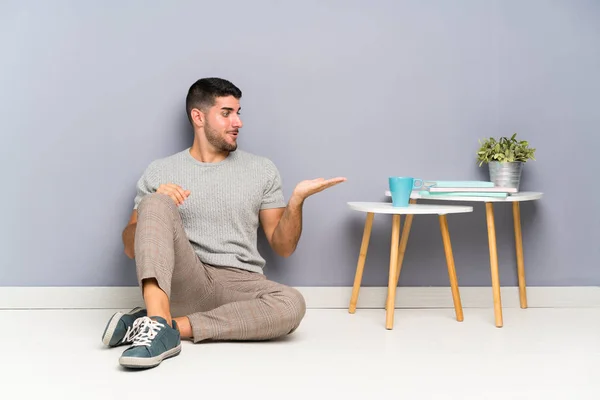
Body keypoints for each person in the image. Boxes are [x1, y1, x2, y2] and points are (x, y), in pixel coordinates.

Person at [101, 77, 346, 369]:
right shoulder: (160, 170)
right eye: (227, 113)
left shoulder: (261, 169)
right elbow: (130, 248)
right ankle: (157, 320)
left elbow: (283, 247)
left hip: (241, 286)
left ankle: (162, 326)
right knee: (156, 201)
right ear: (198, 117)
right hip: (187, 280)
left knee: (292, 304)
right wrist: (155, 201)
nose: (238, 122)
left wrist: (297, 201)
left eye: (239, 112)